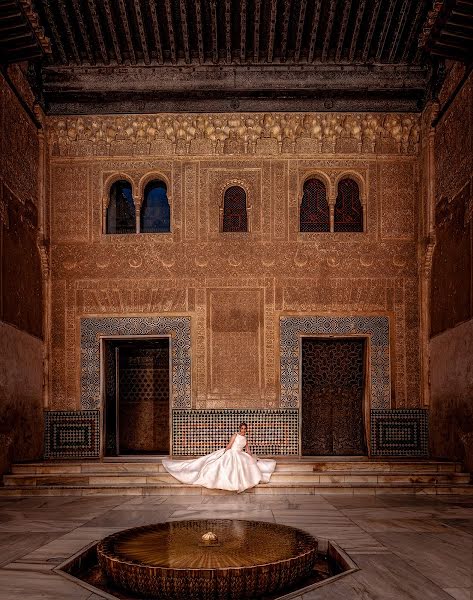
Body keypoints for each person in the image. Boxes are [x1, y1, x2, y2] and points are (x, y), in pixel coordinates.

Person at [162, 422, 276, 493]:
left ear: (246, 430)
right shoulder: (235, 435)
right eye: (242, 428)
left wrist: (251, 455)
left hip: (240, 454)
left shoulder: (246, 438)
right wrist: (225, 452)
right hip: (232, 453)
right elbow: (230, 445)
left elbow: (247, 449)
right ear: (239, 428)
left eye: (245, 429)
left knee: (248, 463)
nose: (243, 430)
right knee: (223, 464)